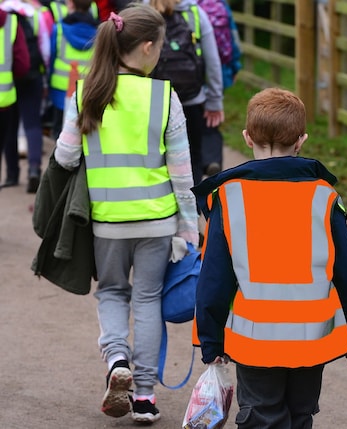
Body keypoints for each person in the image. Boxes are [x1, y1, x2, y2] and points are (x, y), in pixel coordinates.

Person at [52, 3, 199, 424]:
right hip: (157, 221)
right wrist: (190, 231)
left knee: (113, 293)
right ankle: (147, 397)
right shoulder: (165, 96)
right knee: (148, 300)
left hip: (107, 222)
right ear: (148, 47)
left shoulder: (88, 93)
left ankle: (117, 361)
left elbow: (64, 157)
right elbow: (183, 176)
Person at [191, 87, 347, 428]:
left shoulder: (229, 198)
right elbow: (346, 273)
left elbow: (214, 278)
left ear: (246, 138)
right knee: (300, 415)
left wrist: (211, 340)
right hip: (310, 341)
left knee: (261, 416)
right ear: (301, 140)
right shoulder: (325, 197)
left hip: (255, 342)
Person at [148, 0, 224, 187]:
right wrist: (214, 101)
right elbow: (213, 61)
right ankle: (192, 208)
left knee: (157, 156)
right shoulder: (195, 13)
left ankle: (164, 206)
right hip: (192, 99)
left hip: (154, 99)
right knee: (192, 157)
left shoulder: (143, 11)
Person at [0, 0, 53, 192]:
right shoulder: (35, 14)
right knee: (32, 124)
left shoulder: (5, 14)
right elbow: (44, 47)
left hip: (7, 82)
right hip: (31, 76)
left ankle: (12, 174)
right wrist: (44, 74)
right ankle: (33, 170)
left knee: (10, 128)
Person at [198, 0, 241, 176]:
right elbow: (233, 38)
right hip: (219, 71)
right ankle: (212, 159)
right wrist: (235, 66)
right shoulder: (220, 5)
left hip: (191, 73)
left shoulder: (188, 6)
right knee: (212, 118)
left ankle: (196, 162)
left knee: (191, 119)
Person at [48, 0, 97, 141]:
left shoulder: (59, 29)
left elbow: (51, 56)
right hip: (88, 87)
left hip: (60, 86)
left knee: (59, 130)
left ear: (70, 4)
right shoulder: (99, 32)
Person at [0, 7, 30, 188]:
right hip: (4, 99)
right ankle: (12, 175)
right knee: (7, 136)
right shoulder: (11, 23)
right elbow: (22, 65)